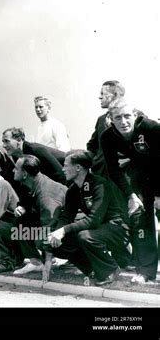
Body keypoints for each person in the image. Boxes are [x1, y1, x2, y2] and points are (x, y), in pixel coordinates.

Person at [45, 150, 131, 285]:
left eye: (66, 165)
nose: (63, 169)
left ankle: (111, 269)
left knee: (85, 236)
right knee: (59, 242)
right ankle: (92, 269)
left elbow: (93, 220)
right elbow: (66, 217)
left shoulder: (99, 184)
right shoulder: (73, 190)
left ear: (78, 168)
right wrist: (54, 238)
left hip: (117, 228)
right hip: (98, 229)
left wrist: (63, 230)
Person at [101, 98, 160, 284]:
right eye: (118, 117)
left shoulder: (151, 128)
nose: (123, 122)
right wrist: (131, 195)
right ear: (111, 119)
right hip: (140, 179)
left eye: (127, 116)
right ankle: (146, 271)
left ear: (135, 115)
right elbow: (114, 170)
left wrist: (159, 195)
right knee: (141, 222)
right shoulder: (107, 137)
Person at [11, 155, 67, 275]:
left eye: (16, 168)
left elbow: (49, 226)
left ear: (25, 173)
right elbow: (27, 198)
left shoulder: (45, 195)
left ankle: (70, 259)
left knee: (41, 240)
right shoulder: (32, 181)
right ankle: (35, 263)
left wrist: (48, 261)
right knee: (21, 222)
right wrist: (23, 207)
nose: (13, 170)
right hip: (57, 218)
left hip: (73, 222)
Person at [86, 80, 125, 177]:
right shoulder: (101, 119)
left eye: (102, 94)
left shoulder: (132, 116)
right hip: (101, 175)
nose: (100, 97)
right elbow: (92, 146)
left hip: (123, 176)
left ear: (114, 95)